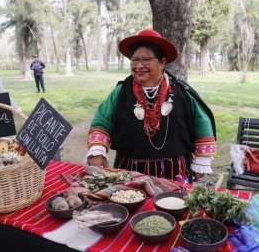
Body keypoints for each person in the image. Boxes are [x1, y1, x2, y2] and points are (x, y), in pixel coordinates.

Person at [85, 29, 216, 182]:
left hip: (175, 171)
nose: (139, 65)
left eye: (146, 59)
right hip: (129, 170)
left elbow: (202, 121)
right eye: (134, 60)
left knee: (173, 205)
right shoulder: (120, 92)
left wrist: (202, 159)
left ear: (162, 62)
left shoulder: (181, 91)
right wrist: (97, 151)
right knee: (131, 203)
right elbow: (102, 121)